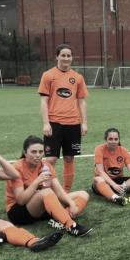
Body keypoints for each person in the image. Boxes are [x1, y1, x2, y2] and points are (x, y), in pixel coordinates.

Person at [6, 135, 92, 236]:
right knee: (46, 192)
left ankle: (60, 218)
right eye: (33, 152)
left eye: (40, 152)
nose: (38, 155)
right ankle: (71, 225)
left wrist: (71, 204)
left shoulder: (46, 165)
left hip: (43, 208)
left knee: (83, 194)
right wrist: (37, 181)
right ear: (25, 153)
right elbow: (21, 201)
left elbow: (59, 192)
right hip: (19, 212)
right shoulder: (16, 168)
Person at [39, 44, 88, 193]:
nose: (66, 58)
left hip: (73, 124)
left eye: (69, 56)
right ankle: (46, 189)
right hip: (54, 124)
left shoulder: (77, 78)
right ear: (57, 56)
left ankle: (66, 192)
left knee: (69, 158)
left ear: (72, 58)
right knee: (51, 159)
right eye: (63, 55)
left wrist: (84, 123)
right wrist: (46, 123)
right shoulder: (48, 75)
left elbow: (81, 101)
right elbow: (43, 102)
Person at [92, 128, 130, 203]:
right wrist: (114, 185)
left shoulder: (124, 151)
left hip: (119, 181)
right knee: (98, 179)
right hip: (104, 182)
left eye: (116, 139)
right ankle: (115, 198)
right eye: (110, 139)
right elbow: (100, 172)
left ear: (119, 140)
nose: (113, 141)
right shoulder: (99, 149)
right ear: (106, 139)